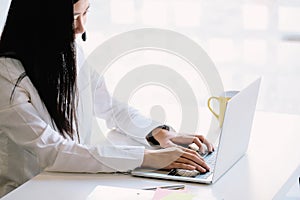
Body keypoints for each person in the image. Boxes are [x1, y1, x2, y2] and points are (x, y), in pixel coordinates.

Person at [0, 0, 214, 197]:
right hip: (28, 191)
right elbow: (53, 151)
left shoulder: (69, 53)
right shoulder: (6, 75)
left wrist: (158, 133)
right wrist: (148, 158)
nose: (81, 27)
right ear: (40, 19)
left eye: (86, 13)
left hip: (70, 183)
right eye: (73, 17)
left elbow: (110, 107)